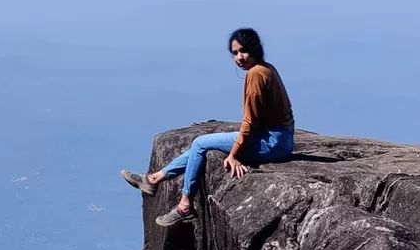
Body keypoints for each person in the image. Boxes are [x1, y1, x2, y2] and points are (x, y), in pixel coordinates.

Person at [122, 28, 296, 226]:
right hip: (280, 139)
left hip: (271, 141)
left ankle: (184, 205)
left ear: (255, 49)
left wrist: (234, 155)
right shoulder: (267, 68)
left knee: (200, 143)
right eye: (235, 53)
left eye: (243, 51)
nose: (239, 57)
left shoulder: (256, 74)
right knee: (202, 144)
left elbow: (249, 123)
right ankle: (154, 179)